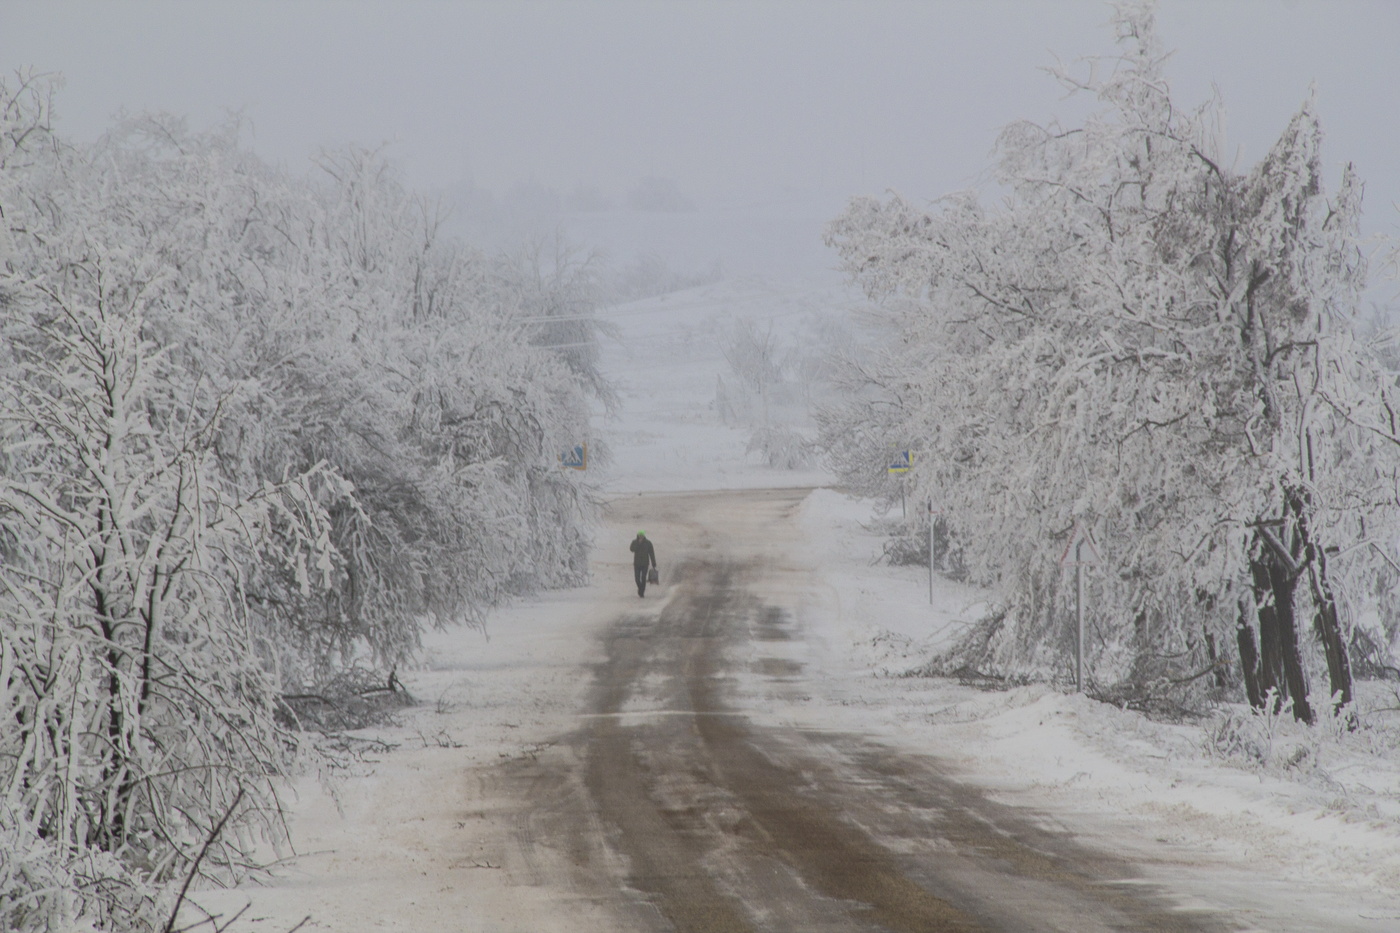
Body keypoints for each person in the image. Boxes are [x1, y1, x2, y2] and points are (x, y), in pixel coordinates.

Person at [630, 531, 657, 597]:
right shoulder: (634, 542)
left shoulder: (648, 543)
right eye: (640, 535)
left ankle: (642, 592)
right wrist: (638, 544)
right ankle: (640, 589)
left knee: (643, 577)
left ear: (644, 536)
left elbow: (651, 553)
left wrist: (653, 562)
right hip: (637, 563)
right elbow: (631, 549)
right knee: (637, 578)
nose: (641, 537)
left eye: (642, 535)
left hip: (645, 563)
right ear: (638, 535)